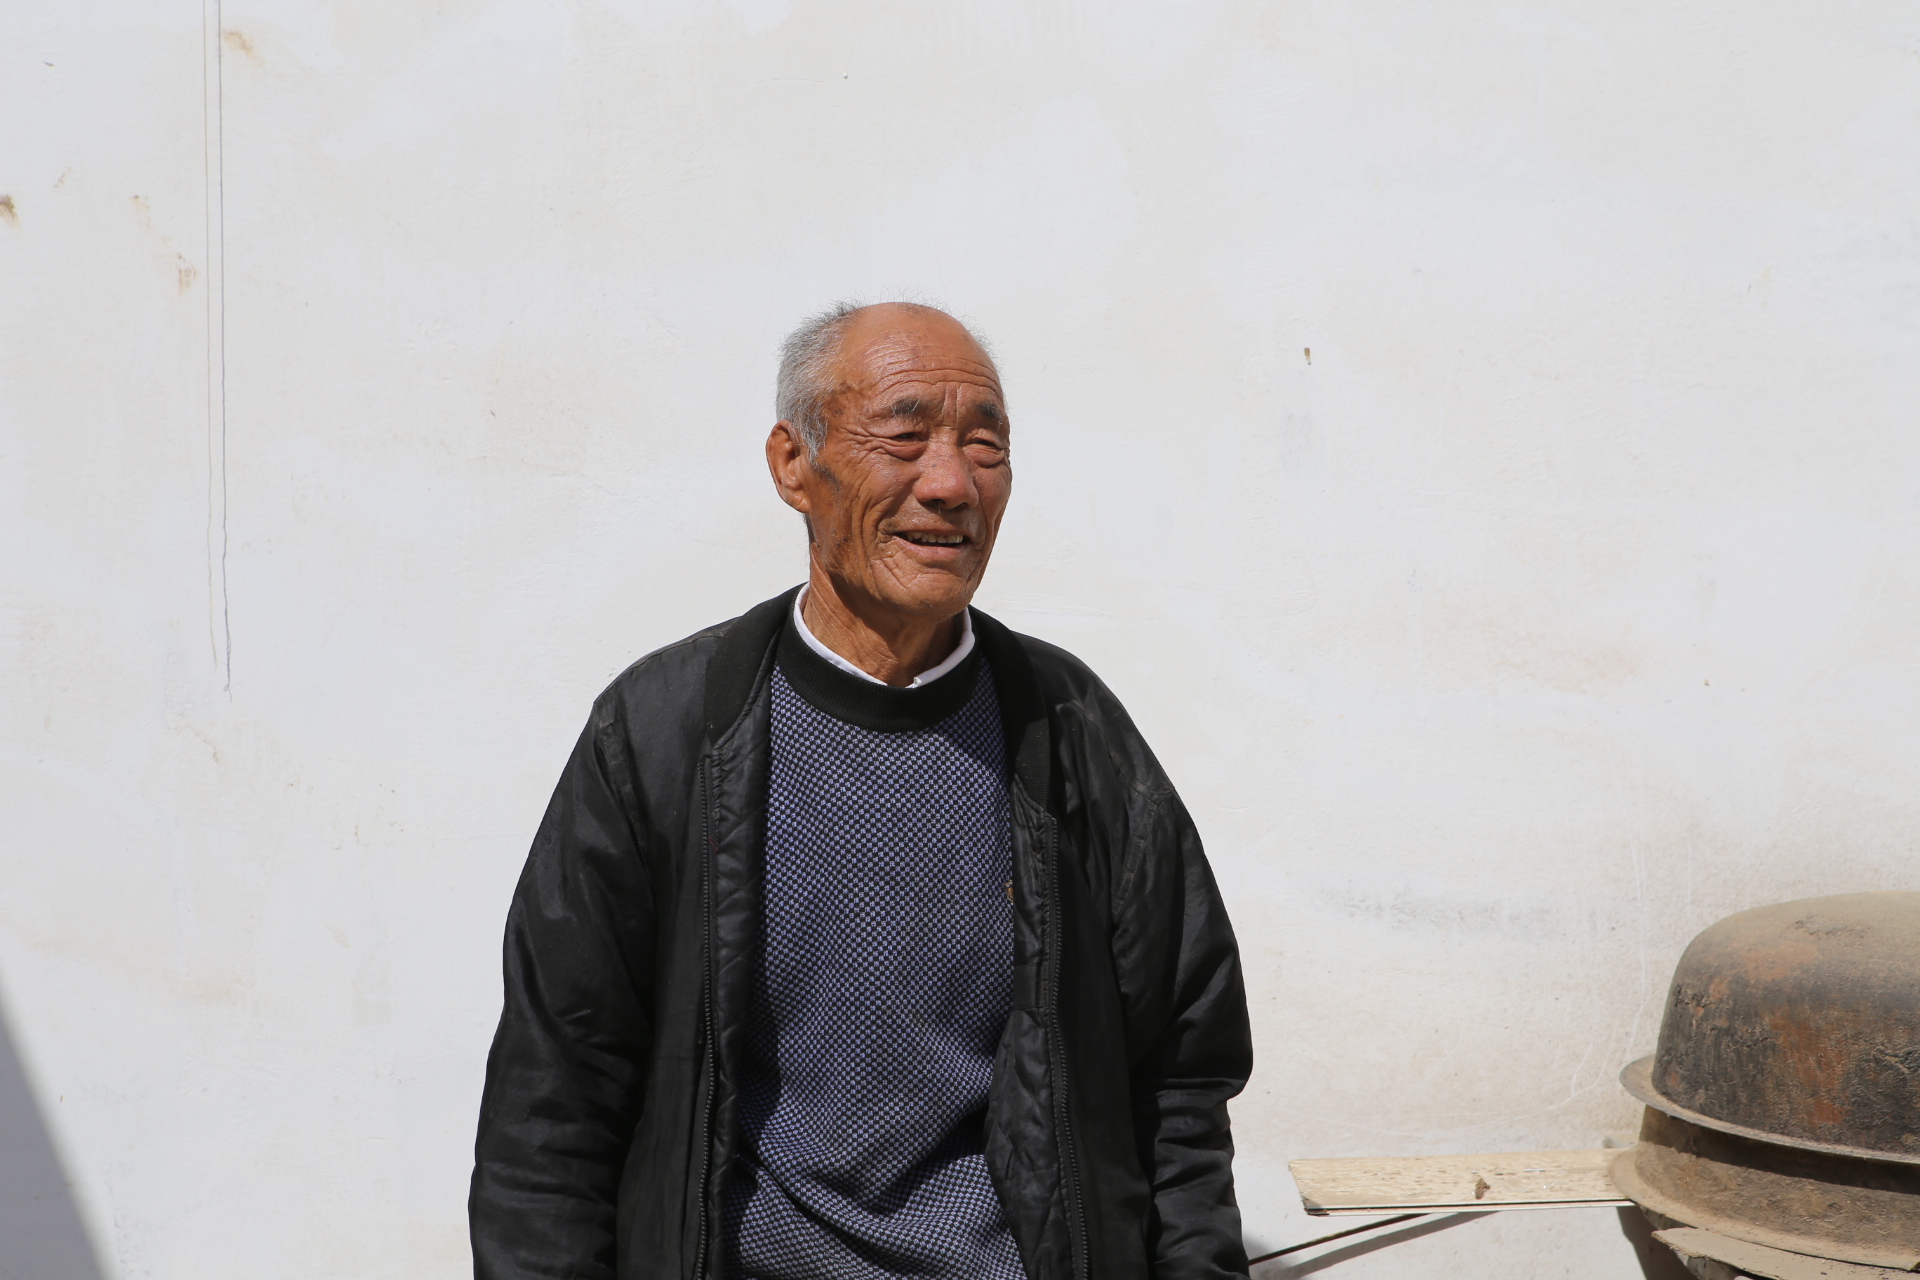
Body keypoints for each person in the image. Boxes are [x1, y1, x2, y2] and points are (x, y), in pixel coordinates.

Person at [469, 302, 1253, 1280]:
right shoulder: (664, 733)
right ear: (793, 464)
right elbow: (554, 1100)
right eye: (904, 436)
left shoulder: (1072, 733)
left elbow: (1179, 1085)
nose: (952, 484)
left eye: (985, 445)